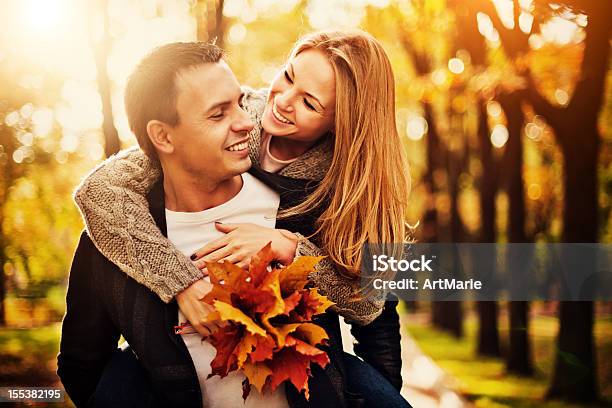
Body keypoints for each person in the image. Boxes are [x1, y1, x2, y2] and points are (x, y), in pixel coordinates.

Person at [72, 31, 411, 406]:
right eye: (288, 75)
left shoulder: (336, 193)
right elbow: (100, 189)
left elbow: (372, 304)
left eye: (310, 103)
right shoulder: (244, 114)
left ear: (341, 123)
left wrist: (292, 249)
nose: (281, 102)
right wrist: (180, 282)